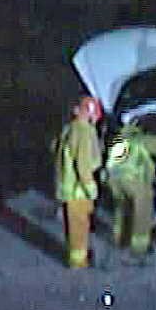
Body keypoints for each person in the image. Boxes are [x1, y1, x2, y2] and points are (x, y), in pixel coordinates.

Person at [103, 121, 156, 262]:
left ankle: (119, 238)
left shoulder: (118, 140)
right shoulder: (140, 140)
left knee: (122, 210)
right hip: (134, 181)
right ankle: (139, 247)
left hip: (115, 181)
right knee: (142, 213)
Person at [52, 95, 103, 269]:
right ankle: (78, 261)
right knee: (79, 226)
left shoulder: (70, 128)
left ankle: (76, 255)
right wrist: (91, 188)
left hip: (69, 187)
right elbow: (83, 164)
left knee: (74, 224)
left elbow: (55, 148)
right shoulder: (83, 132)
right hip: (78, 189)